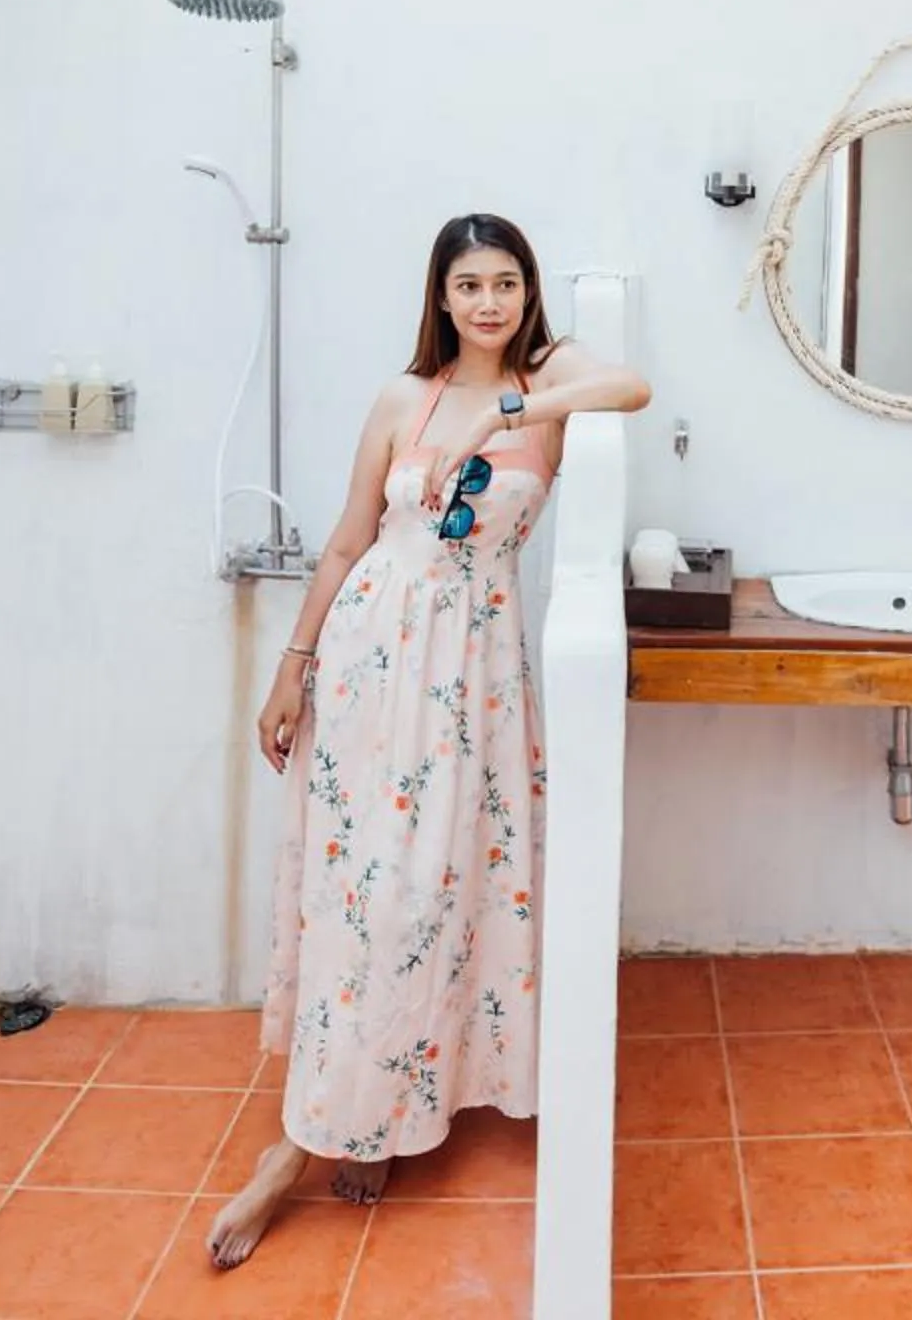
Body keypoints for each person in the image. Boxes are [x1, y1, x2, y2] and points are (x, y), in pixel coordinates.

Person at [208, 212, 652, 1268]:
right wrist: (293, 662)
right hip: (371, 656)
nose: (488, 301)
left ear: (525, 290)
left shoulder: (551, 380)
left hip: (473, 672)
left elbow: (628, 387)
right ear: (440, 297)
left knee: (430, 897)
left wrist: (511, 407)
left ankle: (389, 1116)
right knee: (359, 895)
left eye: (504, 281)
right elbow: (350, 538)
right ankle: (298, 1143)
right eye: (468, 285)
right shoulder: (400, 397)